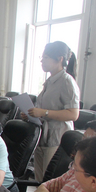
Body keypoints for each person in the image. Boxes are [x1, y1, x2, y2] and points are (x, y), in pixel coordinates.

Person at [27, 41, 80, 182]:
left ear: (60, 59)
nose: (42, 61)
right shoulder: (49, 81)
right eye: (42, 57)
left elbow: (73, 114)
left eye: (46, 57)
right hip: (43, 137)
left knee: (50, 182)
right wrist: (31, 114)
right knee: (39, 181)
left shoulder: (67, 81)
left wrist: (43, 113)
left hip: (57, 139)